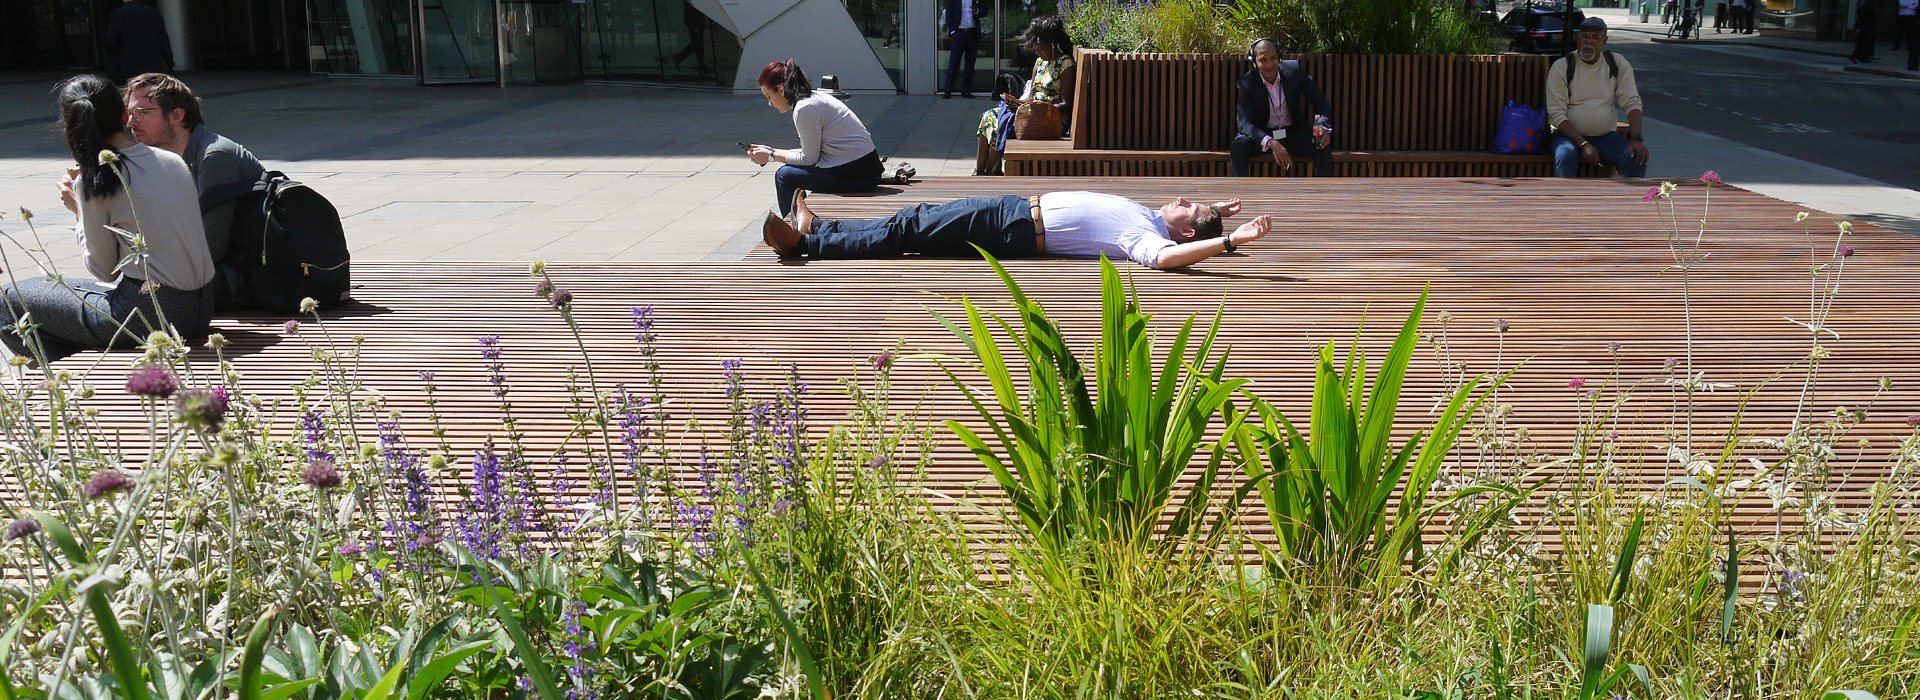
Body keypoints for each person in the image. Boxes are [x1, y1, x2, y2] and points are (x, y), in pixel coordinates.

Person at [0, 75, 214, 365]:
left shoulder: (96, 179)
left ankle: (58, 378)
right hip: (201, 306)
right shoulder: (171, 160)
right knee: (50, 297)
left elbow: (103, 271)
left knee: (7, 301)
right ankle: (69, 370)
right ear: (125, 115)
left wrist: (80, 211)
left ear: (71, 124)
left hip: (148, 314)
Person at [760, 190, 1271, 271]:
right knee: (911, 221)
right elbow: (1192, 224)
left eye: (1189, 206)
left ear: (1187, 233)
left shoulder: (1148, 238)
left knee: (910, 230)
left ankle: (807, 244)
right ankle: (822, 226)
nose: (1181, 199)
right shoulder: (1151, 216)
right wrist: (1216, 211)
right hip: (1014, 210)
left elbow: (1166, 260)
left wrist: (1229, 240)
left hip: (1017, 227)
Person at [123, 73, 265, 307]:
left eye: (142, 112)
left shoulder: (214, 157)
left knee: (142, 295)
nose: (131, 122)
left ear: (177, 116)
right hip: (220, 271)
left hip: (242, 277)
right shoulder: (169, 160)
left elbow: (209, 250)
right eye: (129, 112)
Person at [747, 60, 883, 218]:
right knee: (791, 171)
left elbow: (808, 159)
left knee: (784, 176)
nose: (770, 104)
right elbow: (811, 153)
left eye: (769, 96)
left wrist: (771, 156)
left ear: (781, 89)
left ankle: (793, 230)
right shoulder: (813, 98)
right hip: (863, 169)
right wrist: (772, 151)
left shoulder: (804, 108)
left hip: (857, 175)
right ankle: (802, 221)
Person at [1546, 18, 1648, 179]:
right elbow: (1556, 115)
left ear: (1604, 41)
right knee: (1565, 156)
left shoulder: (1616, 63)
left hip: (1605, 137)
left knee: (1636, 158)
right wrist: (1583, 144)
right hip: (1567, 137)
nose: (1588, 41)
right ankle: (1566, 196)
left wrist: (1636, 139)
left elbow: (1631, 102)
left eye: (1595, 37)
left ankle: (1630, 196)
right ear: (1577, 38)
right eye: (1584, 35)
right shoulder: (1562, 66)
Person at [975, 16, 1077, 176]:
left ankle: (990, 172)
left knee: (1000, 121)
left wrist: (1038, 110)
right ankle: (980, 172)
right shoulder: (1040, 63)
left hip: (1050, 120)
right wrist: (1017, 102)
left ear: (1052, 44)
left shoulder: (1066, 64)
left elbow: (1067, 104)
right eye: (1036, 50)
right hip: (1031, 112)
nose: (1039, 53)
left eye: (1041, 49)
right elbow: (1031, 93)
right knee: (989, 116)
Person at [1231, 38, 1334, 178]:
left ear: (1279, 57)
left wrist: (1323, 127)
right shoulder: (1247, 83)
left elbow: (1320, 101)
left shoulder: (1294, 70)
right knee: (1239, 145)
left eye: (1273, 58)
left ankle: (1323, 190)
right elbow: (1244, 123)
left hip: (1292, 133)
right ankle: (1239, 191)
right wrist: (1271, 142)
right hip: (1264, 136)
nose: (1269, 64)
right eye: (1263, 60)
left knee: (1321, 144)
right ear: (1254, 62)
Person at [103, 0, 173, 83]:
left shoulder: (117, 15)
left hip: (127, 66)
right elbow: (164, 41)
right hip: (152, 65)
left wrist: (112, 71)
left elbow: (112, 43)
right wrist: (170, 64)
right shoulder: (154, 14)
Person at [943, 0, 984, 98]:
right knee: (954, 62)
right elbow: (948, 15)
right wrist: (953, 31)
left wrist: (977, 10)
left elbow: (984, 12)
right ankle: (948, 90)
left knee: (970, 63)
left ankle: (966, 91)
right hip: (959, 33)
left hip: (972, 33)